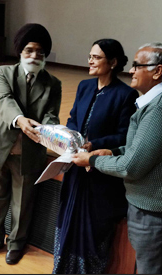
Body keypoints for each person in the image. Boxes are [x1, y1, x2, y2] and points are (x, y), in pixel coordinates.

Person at [72, 42, 162, 274]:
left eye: (137, 66)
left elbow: (132, 167)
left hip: (160, 211)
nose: (131, 71)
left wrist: (91, 160)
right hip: (156, 207)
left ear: (157, 71)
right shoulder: (159, 102)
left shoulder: (161, 108)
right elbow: (143, 150)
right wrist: (113, 152)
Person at [0, 23, 62, 265]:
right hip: (0, 147)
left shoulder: (53, 84)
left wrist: (52, 130)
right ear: (20, 51)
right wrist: (20, 120)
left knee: (23, 204)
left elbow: (51, 114)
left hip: (30, 153)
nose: (34, 55)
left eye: (40, 52)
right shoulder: (3, 73)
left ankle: (16, 245)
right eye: (29, 50)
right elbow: (3, 100)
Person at [52, 39, 139, 274]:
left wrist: (93, 145)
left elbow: (124, 136)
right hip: (76, 169)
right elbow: (73, 118)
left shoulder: (126, 95)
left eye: (96, 57)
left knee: (93, 228)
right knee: (68, 222)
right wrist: (68, 136)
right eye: (90, 56)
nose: (90, 61)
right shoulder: (84, 86)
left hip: (100, 174)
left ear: (112, 62)